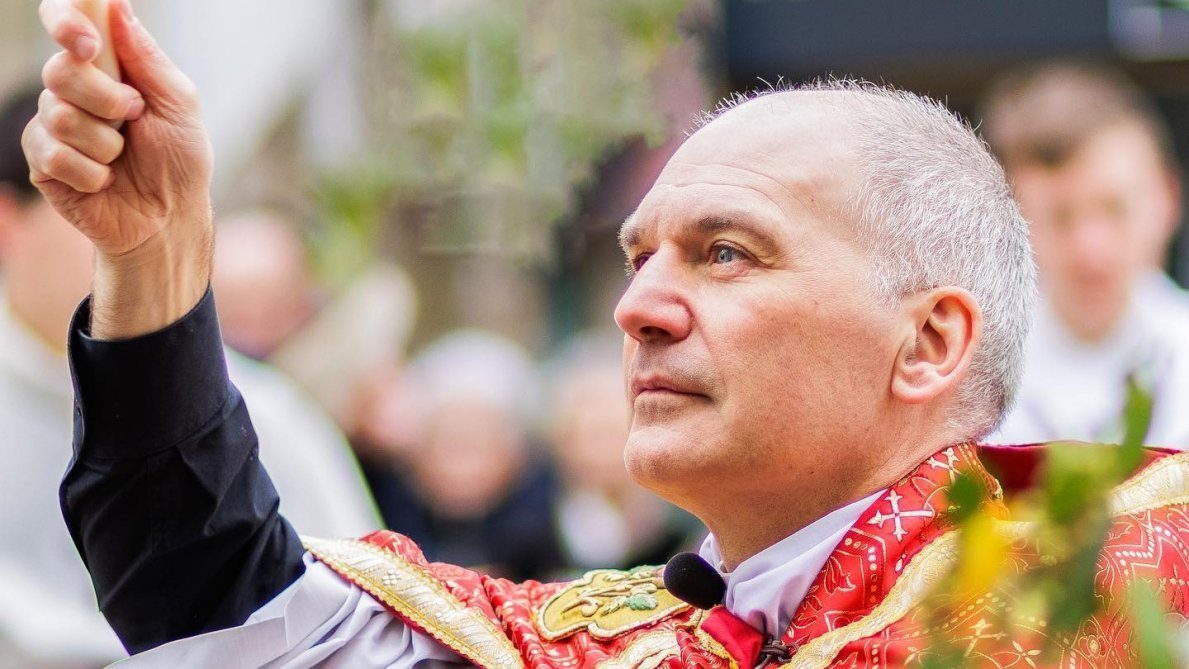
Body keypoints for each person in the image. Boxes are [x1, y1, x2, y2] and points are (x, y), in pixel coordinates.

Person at [19, 1, 1189, 666]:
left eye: (726, 252)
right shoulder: (616, 640)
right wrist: (155, 251)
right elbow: (233, 615)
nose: (637, 307)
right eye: (639, 258)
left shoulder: (1135, 582)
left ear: (929, 340)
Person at [0, 84, 378, 666]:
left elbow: (353, 627)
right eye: (92, 204)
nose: (136, 237)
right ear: (9, 224)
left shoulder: (260, 414)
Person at [979, 61, 1189, 447]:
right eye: (1059, 218)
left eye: (1116, 209)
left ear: (1168, 199)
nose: (1090, 249)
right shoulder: (969, 383)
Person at [361, 330, 566, 580]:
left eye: (476, 444)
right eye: (450, 443)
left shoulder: (547, 525)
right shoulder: (385, 512)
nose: (461, 466)